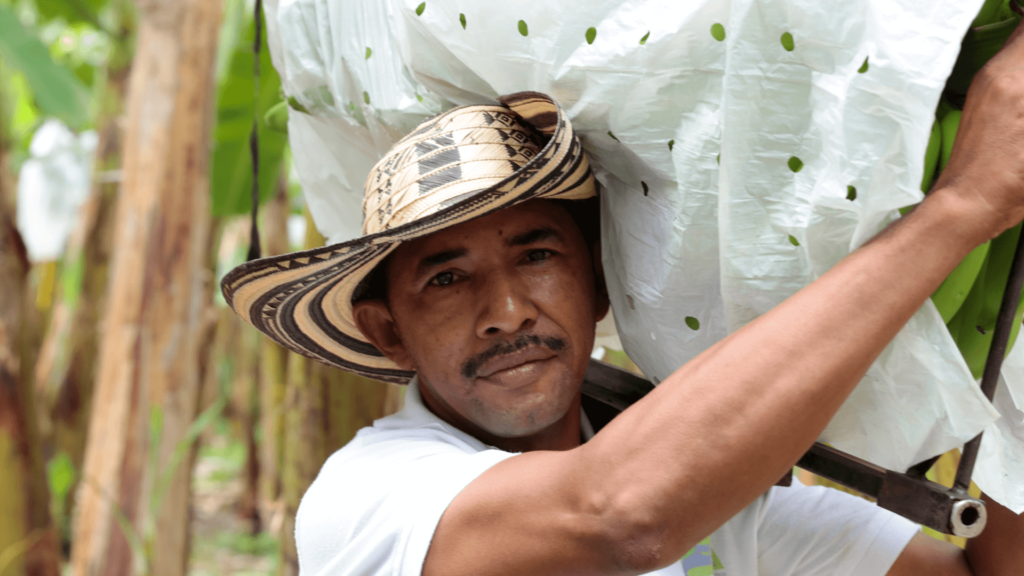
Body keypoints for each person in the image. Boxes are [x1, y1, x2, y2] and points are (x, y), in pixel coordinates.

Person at [221, 22, 1024, 576]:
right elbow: (622, 513)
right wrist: (961, 206)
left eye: (536, 255)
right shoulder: (369, 495)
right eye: (446, 277)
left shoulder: (725, 507)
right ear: (386, 332)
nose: (505, 310)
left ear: (599, 281)